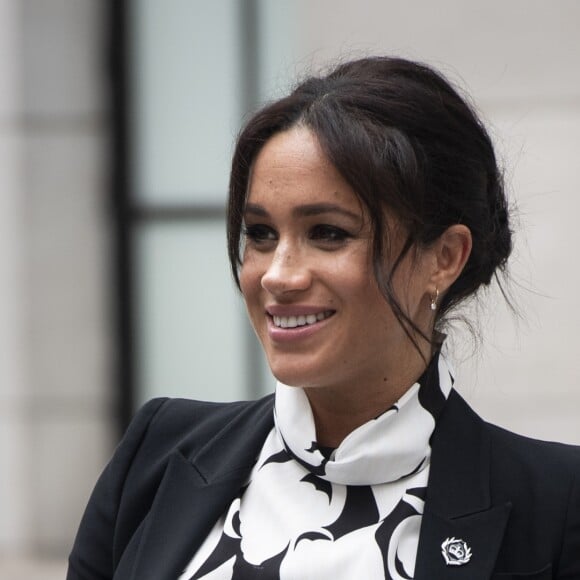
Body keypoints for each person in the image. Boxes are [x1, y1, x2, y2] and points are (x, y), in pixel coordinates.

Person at [67, 57, 580, 580]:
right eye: (261, 234)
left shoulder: (554, 505)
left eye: (328, 233)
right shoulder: (157, 455)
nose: (278, 275)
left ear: (444, 257)